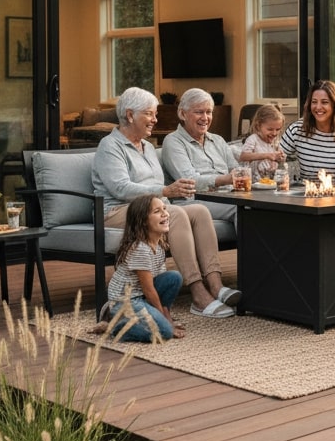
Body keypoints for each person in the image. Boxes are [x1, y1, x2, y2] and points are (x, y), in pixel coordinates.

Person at [92, 86, 240, 320]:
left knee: (199, 211)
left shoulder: (148, 146)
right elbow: (120, 188)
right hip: (118, 211)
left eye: (154, 114)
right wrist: (164, 191)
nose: (155, 119)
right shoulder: (110, 147)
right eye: (149, 114)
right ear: (130, 115)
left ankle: (215, 285)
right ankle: (198, 293)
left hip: (151, 208)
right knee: (175, 214)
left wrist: (165, 196)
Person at [98, 194, 186, 342]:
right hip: (126, 300)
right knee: (164, 332)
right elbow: (149, 289)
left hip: (141, 297)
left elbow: (159, 283)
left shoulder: (158, 245)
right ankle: (115, 327)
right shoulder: (140, 249)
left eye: (164, 209)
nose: (165, 213)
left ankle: (158, 319)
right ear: (143, 221)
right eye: (157, 211)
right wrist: (166, 324)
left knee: (174, 277)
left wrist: (167, 317)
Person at [160, 88, 240, 227]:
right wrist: (224, 179)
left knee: (264, 205)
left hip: (226, 196)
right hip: (192, 200)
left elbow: (235, 169)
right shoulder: (173, 141)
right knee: (242, 209)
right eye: (199, 112)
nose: (205, 118)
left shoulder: (218, 140)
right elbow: (189, 181)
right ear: (182, 114)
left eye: (208, 112)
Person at [279, 80, 335, 186]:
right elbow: (275, 156)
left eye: (324, 102)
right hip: (306, 196)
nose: (318, 107)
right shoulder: (297, 129)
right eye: (314, 102)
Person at [236, 104, 286, 176]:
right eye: (270, 129)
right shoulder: (253, 139)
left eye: (278, 129)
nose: (274, 133)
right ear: (258, 126)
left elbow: (277, 161)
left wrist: (280, 158)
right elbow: (243, 156)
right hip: (254, 182)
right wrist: (267, 155)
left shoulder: (275, 141)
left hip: (270, 181)